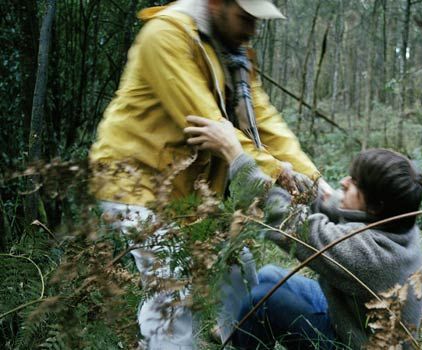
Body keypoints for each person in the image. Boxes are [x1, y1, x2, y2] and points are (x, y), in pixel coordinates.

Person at [89, 1, 328, 348]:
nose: (252, 30)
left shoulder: (235, 53)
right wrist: (276, 171)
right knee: (171, 287)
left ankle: (239, 340)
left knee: (239, 271)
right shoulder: (166, 36)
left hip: (188, 191)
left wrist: (316, 181)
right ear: (217, 3)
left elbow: (262, 120)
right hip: (136, 182)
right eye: (245, 18)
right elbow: (204, 120)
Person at [184, 116, 422, 349]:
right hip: (352, 320)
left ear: (375, 207)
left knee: (263, 302)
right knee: (269, 276)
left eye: (354, 184)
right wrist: (296, 182)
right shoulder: (397, 219)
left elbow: (291, 224)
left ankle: (246, 335)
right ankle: (244, 330)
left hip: (357, 343)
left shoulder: (371, 256)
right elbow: (335, 206)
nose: (343, 182)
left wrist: (234, 154)